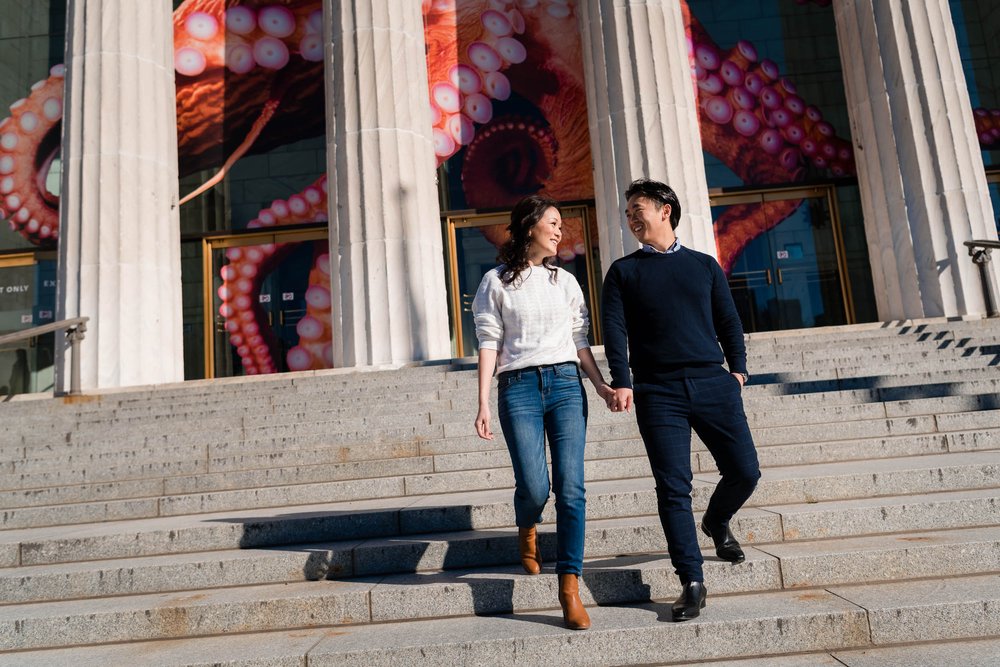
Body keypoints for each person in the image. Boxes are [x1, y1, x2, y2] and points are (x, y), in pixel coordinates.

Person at [601, 178, 761, 622]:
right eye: (628, 212)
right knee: (673, 488)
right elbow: (614, 329)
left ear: (665, 210)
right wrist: (622, 379)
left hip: (713, 382)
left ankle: (716, 521)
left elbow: (728, 319)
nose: (632, 218)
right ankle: (691, 579)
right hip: (657, 391)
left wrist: (738, 370)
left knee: (745, 471)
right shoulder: (623, 271)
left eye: (639, 209)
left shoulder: (704, 266)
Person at [473, 194, 615, 630]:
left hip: (567, 386)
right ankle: (528, 526)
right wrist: (481, 402)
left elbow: (579, 341)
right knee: (535, 488)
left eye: (561, 224)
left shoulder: (565, 282)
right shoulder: (495, 281)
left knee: (571, 490)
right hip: (518, 389)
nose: (559, 230)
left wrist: (601, 385)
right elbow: (488, 342)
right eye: (552, 223)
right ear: (529, 226)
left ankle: (569, 587)